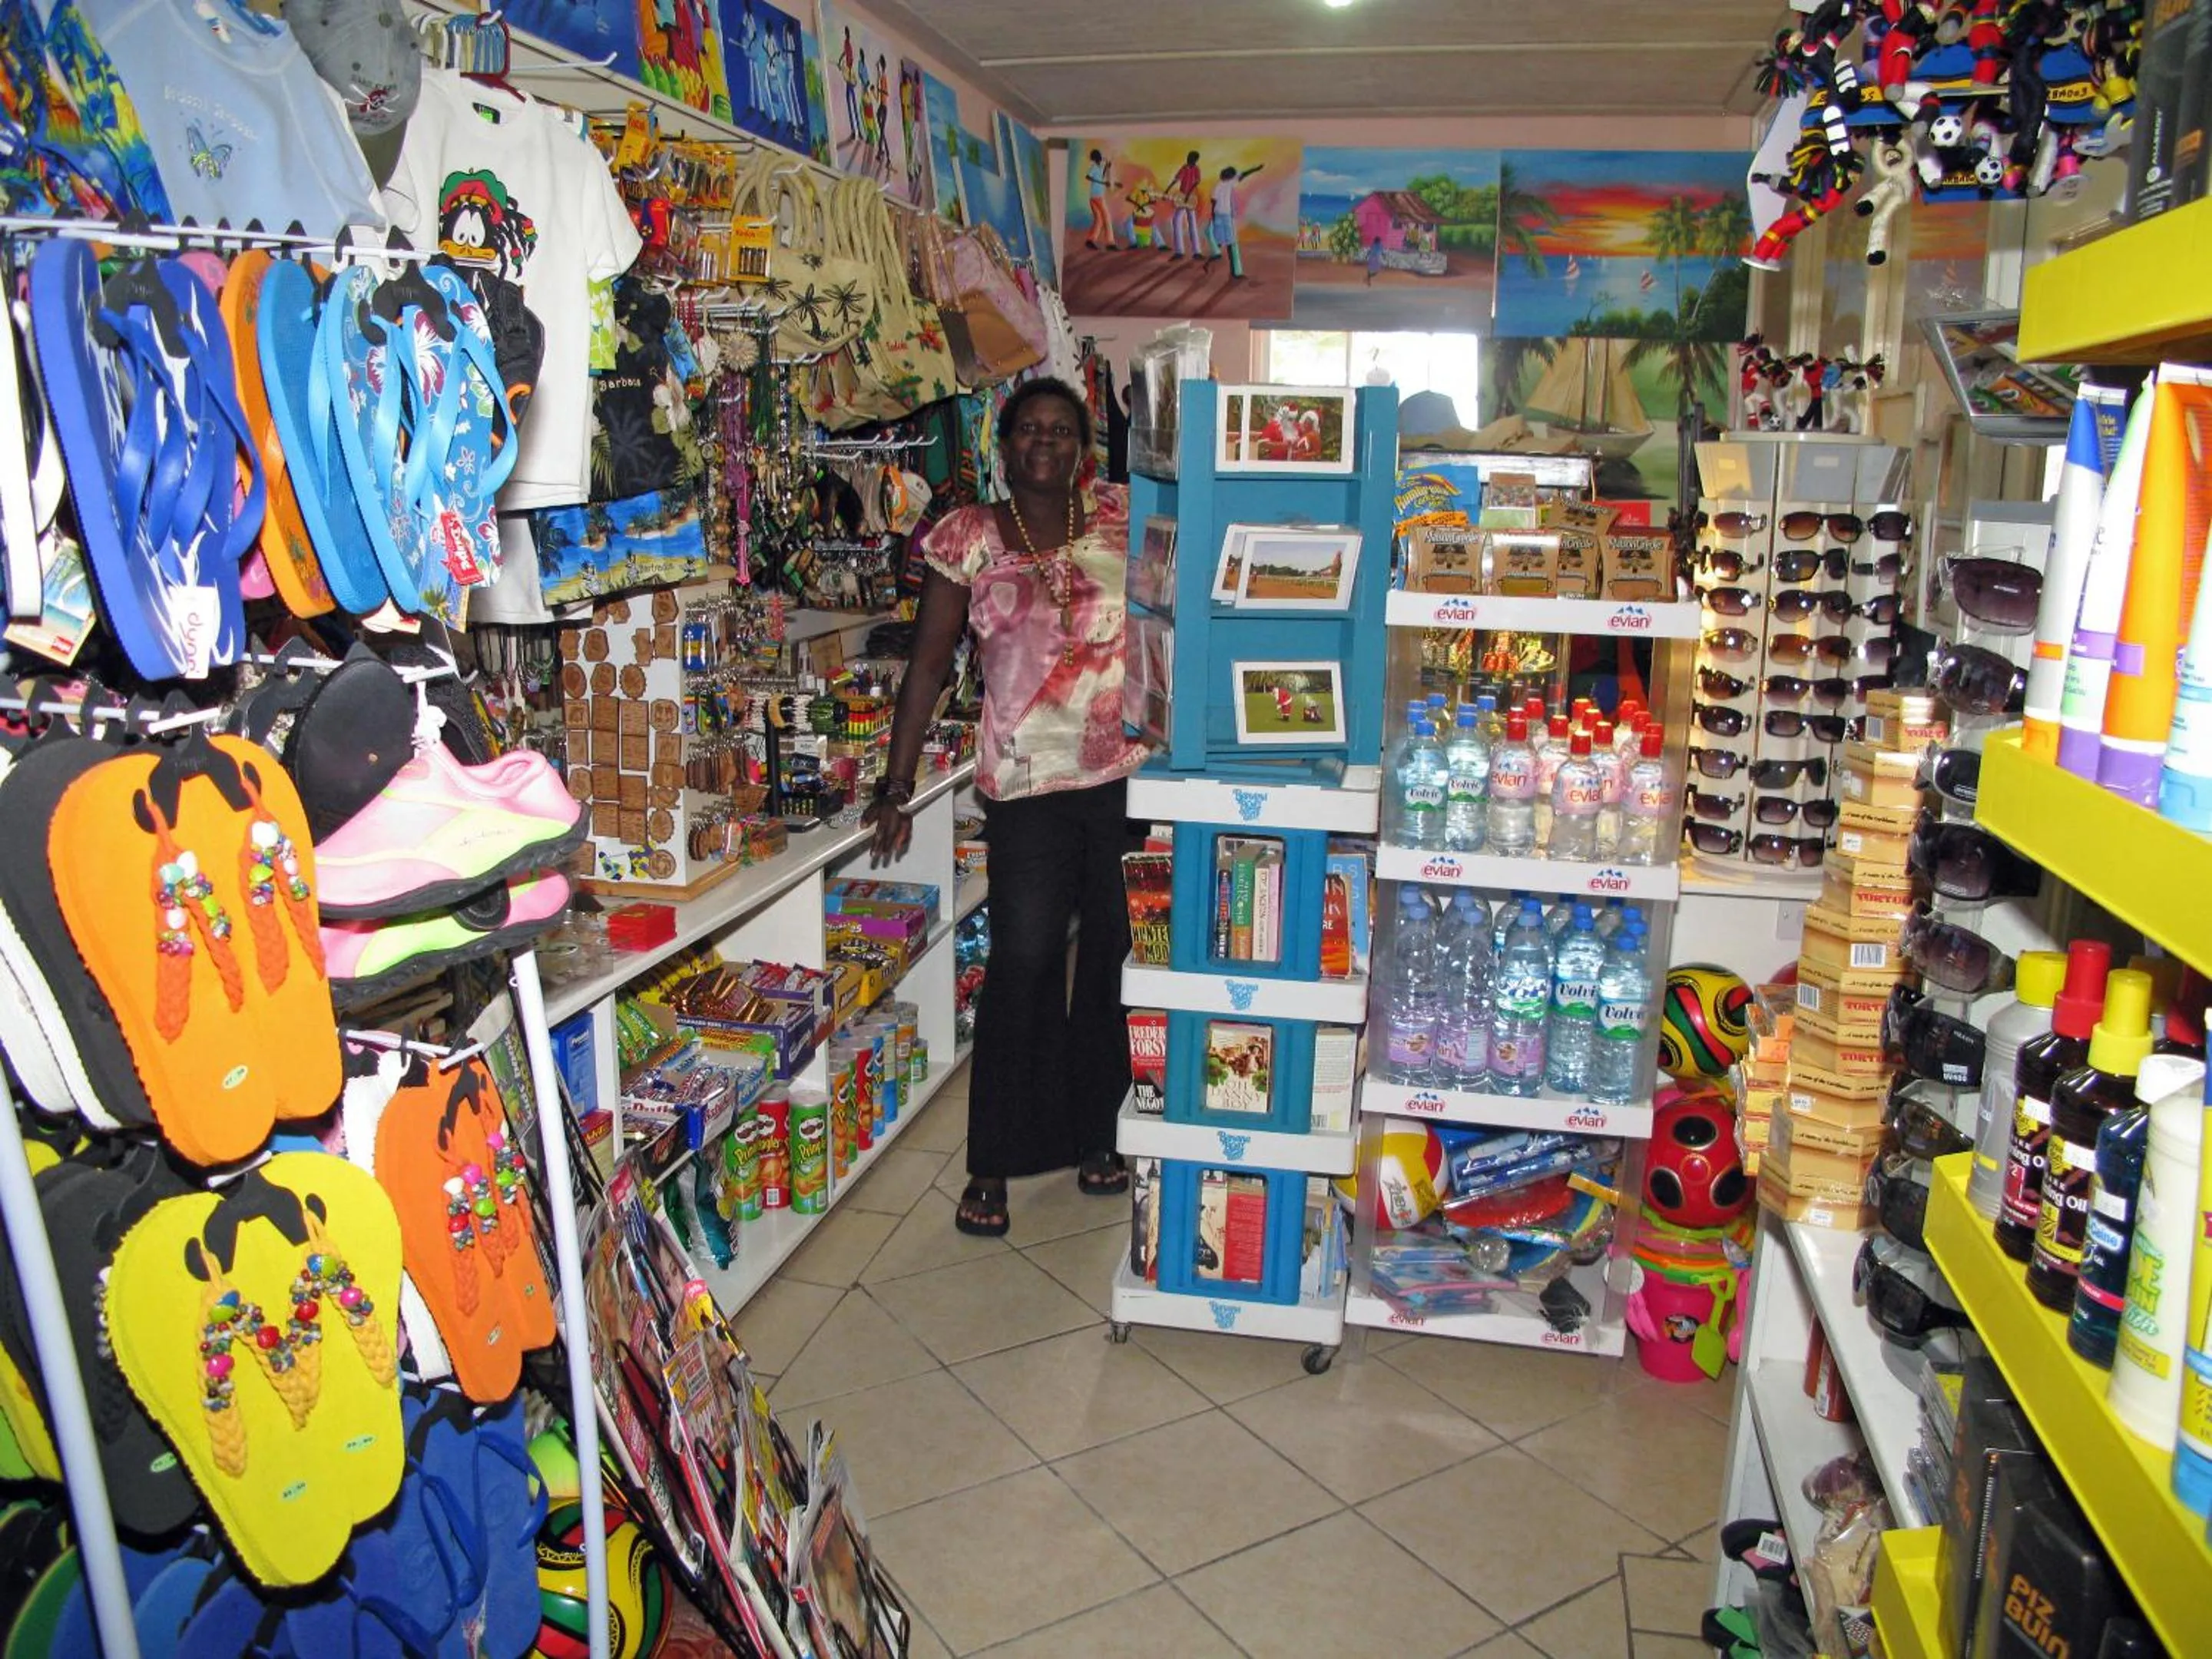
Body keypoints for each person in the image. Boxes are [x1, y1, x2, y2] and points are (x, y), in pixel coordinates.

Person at [863, 379, 1151, 1237]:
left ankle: (1099, 1135)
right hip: (1024, 791)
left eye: (1062, 430)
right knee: (1023, 965)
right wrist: (895, 783)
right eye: (1030, 429)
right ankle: (992, 1161)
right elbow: (927, 666)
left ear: (1083, 444)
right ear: (1004, 441)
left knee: (1111, 960)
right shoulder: (969, 536)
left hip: (1124, 779)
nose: (1045, 444)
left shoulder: (1124, 517)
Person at [1204, 162, 1261, 278]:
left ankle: (1226, 268)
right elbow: (1243, 175)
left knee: (1225, 243)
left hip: (1221, 216)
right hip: (1223, 216)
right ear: (1230, 176)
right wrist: (1255, 169)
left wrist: (1255, 169)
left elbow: (1242, 175)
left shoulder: (1223, 184)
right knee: (1229, 244)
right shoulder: (1225, 185)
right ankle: (1235, 271)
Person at [1166, 150, 1204, 259]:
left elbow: (1196, 183)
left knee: (1191, 223)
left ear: (1195, 160)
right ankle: (1180, 251)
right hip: (1182, 197)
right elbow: (1176, 180)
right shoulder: (1184, 168)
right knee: (1177, 220)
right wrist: (1167, 190)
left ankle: (1196, 252)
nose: (1188, 159)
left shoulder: (1196, 169)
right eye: (1188, 157)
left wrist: (1189, 194)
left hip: (1190, 198)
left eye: (1191, 158)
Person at [1083, 148, 1118, 250]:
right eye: (1099, 158)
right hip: (1097, 196)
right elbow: (1088, 177)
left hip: (1094, 196)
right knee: (1107, 217)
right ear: (1097, 158)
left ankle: (1090, 240)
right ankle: (1110, 243)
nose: (1100, 159)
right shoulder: (1094, 167)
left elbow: (1102, 175)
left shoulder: (1099, 167)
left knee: (1099, 219)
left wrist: (1107, 166)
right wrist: (1102, 183)